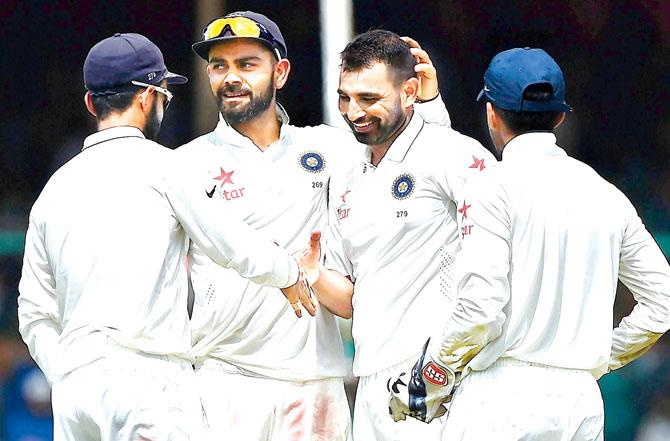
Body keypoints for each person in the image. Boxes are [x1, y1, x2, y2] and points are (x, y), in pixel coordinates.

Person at [17, 32, 314, 441]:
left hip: (75, 389)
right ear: (147, 97)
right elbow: (231, 243)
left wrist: (68, 369)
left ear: (91, 102)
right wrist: (289, 272)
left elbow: (33, 312)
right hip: (147, 380)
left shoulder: (53, 191)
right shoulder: (164, 168)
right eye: (164, 98)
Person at [180, 11, 451, 441]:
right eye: (219, 66)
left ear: (280, 71)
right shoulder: (186, 165)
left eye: (247, 64)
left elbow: (423, 175)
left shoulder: (327, 148)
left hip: (315, 382)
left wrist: (430, 108)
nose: (230, 77)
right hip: (224, 379)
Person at [387, 47, 670, 440]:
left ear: (491, 113)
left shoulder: (490, 187)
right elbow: (663, 301)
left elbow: (480, 309)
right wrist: (599, 356)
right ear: (558, 116)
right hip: (580, 402)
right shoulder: (607, 195)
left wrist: (431, 375)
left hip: (503, 399)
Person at [299, 29, 496, 440]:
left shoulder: (454, 154)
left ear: (410, 91)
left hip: (436, 379)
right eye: (345, 97)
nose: (354, 112)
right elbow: (350, 302)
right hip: (370, 385)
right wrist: (311, 274)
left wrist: (447, 362)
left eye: (370, 99)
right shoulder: (348, 174)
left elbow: (501, 246)